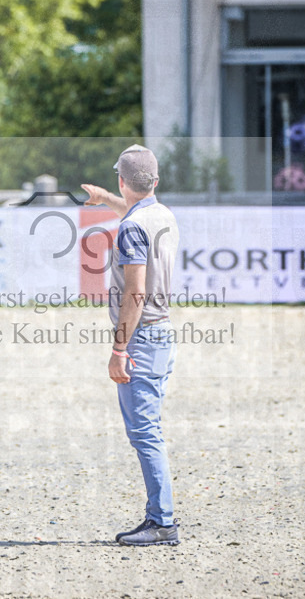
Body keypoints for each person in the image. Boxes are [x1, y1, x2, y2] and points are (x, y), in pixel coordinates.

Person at [81, 144, 181, 547]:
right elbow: (136, 216)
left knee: (145, 433)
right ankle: (162, 518)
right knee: (149, 429)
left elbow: (134, 292)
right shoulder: (162, 214)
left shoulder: (132, 227)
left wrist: (119, 348)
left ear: (124, 181)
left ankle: (163, 521)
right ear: (155, 181)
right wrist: (106, 199)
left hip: (142, 337)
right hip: (163, 332)